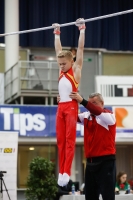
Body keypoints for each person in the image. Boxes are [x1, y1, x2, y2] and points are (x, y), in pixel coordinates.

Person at [52, 18, 86, 187]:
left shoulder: (76, 69)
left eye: (64, 64)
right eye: (59, 64)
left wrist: (82, 29)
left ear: (71, 62)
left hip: (72, 107)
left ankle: (67, 172)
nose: (62, 67)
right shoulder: (61, 67)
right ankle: (61, 171)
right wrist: (57, 33)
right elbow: (58, 49)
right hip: (61, 107)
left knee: (69, 141)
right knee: (60, 141)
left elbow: (80, 49)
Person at [69, 92, 116, 200]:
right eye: (90, 103)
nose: (91, 106)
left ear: (102, 103)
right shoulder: (86, 116)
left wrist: (83, 101)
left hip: (106, 162)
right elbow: (70, 115)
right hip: (90, 163)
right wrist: (63, 102)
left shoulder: (109, 116)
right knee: (90, 196)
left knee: (108, 197)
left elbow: (97, 111)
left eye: (94, 103)